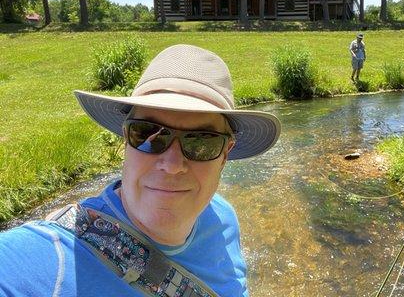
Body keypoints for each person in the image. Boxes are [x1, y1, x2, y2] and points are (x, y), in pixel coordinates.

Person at [0, 44, 281, 297]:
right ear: (126, 140)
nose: (171, 166)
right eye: (149, 134)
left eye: (202, 142)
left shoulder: (223, 218)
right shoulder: (47, 256)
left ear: (225, 154)